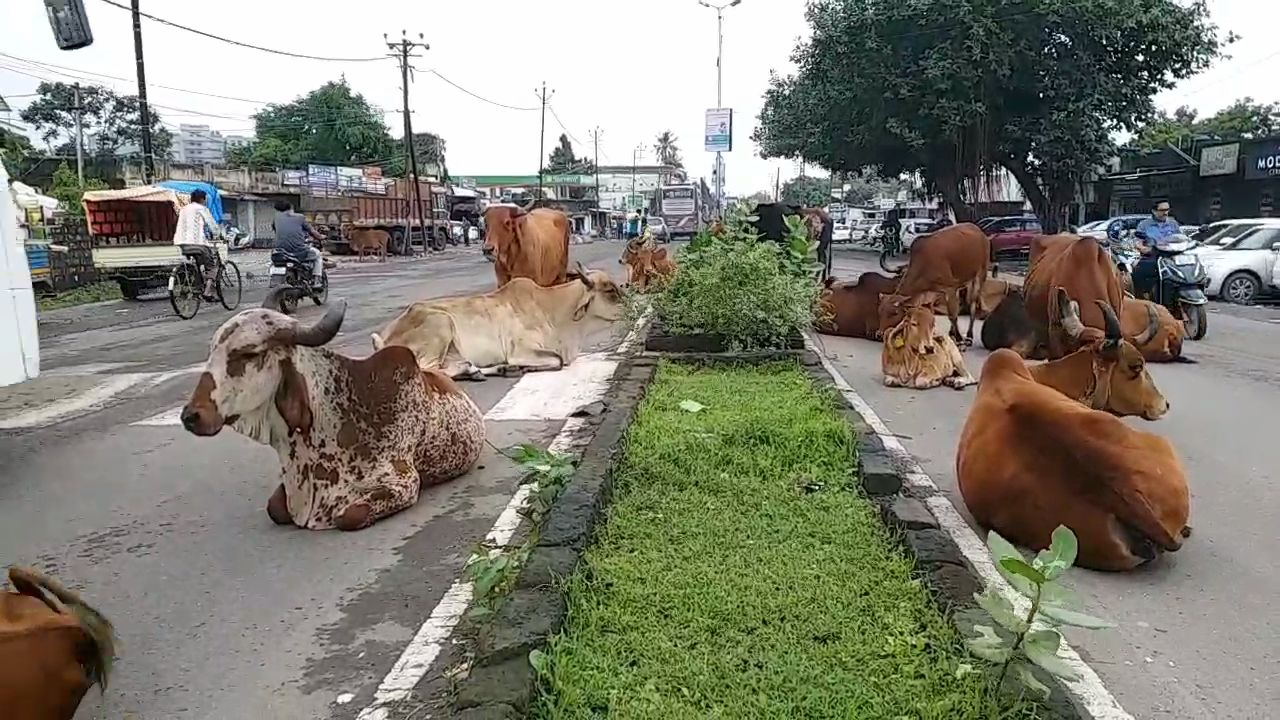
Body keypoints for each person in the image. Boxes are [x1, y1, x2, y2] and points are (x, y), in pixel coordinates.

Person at [172, 188, 222, 301]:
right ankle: (207, 292)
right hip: (197, 243)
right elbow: (213, 226)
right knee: (212, 267)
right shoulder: (201, 208)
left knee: (198, 264)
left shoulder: (183, 209)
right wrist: (219, 235)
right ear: (202, 199)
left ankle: (197, 286)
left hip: (181, 243)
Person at [271, 200, 325, 291]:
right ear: (291, 208)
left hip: (280, 250)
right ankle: (317, 281)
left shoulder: (276, 218)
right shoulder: (300, 217)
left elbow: (275, 229)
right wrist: (321, 237)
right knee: (317, 255)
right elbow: (312, 232)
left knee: (273, 263)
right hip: (298, 250)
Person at [1132, 201, 1181, 297]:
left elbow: (1180, 238)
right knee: (1140, 270)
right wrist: (1143, 248)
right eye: (1162, 210)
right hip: (1153, 256)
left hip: (1172, 257)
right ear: (1154, 211)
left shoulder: (1173, 223)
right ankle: (1143, 296)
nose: (1165, 213)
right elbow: (1137, 242)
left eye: (1167, 210)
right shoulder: (1144, 225)